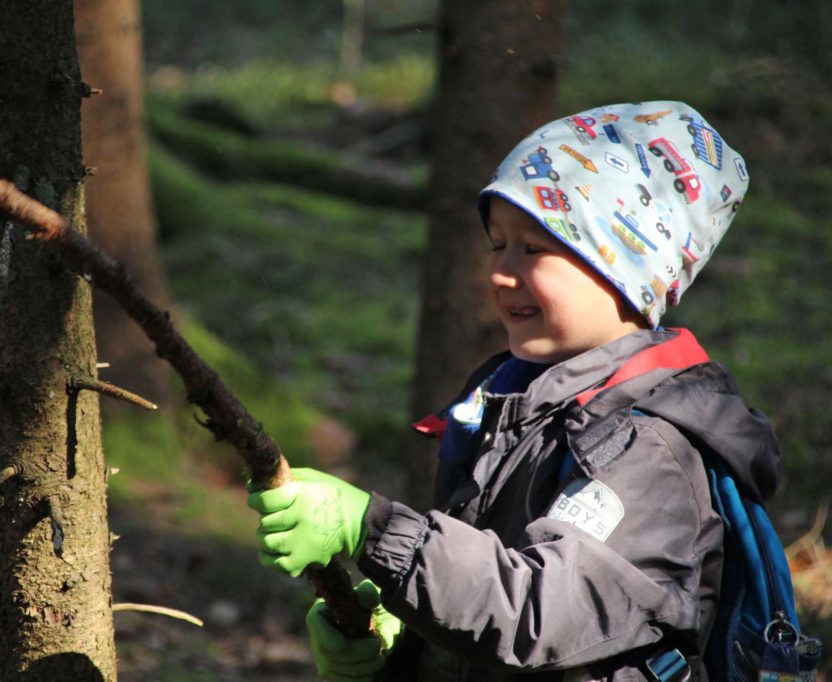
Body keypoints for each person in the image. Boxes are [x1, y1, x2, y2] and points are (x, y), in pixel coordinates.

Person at [247, 101, 774, 681]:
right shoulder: (520, 410)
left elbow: (545, 611)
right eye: (498, 244)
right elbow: (491, 600)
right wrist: (403, 641)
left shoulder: (649, 449)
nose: (500, 272)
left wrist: (374, 532)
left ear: (628, 268)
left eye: (536, 248)